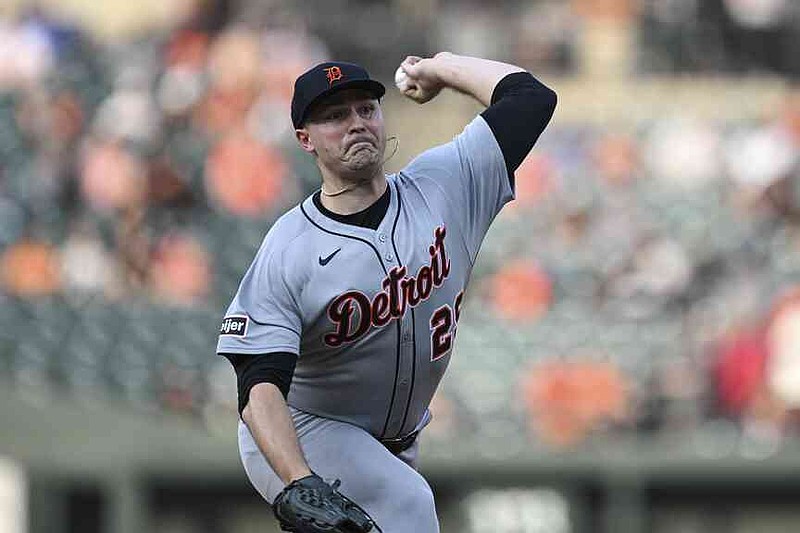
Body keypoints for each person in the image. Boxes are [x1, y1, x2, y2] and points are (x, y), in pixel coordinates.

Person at [216, 52, 557, 532]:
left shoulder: (444, 186)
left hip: (393, 442)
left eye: (366, 109)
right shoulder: (290, 247)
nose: (356, 123)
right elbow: (258, 387)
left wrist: (439, 68)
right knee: (410, 507)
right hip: (299, 433)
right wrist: (298, 480)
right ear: (305, 139)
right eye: (335, 116)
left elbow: (531, 98)